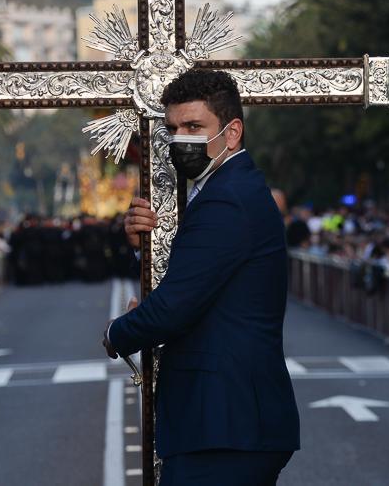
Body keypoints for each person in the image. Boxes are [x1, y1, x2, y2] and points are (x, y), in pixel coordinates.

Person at [102, 69, 299, 484]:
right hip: (228, 422)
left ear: (232, 132)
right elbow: (204, 281)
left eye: (194, 126)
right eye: (174, 128)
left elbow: (176, 307)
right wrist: (146, 249)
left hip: (226, 422)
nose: (181, 139)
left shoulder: (226, 199)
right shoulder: (225, 191)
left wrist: (115, 334)